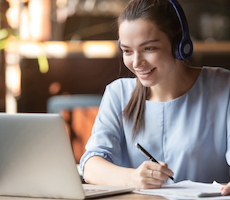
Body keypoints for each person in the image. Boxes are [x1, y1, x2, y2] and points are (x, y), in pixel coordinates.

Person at [80, 0, 230, 194]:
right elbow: (91, 165)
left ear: (179, 44)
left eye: (149, 48)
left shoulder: (223, 87)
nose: (136, 62)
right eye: (127, 51)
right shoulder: (118, 93)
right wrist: (132, 178)